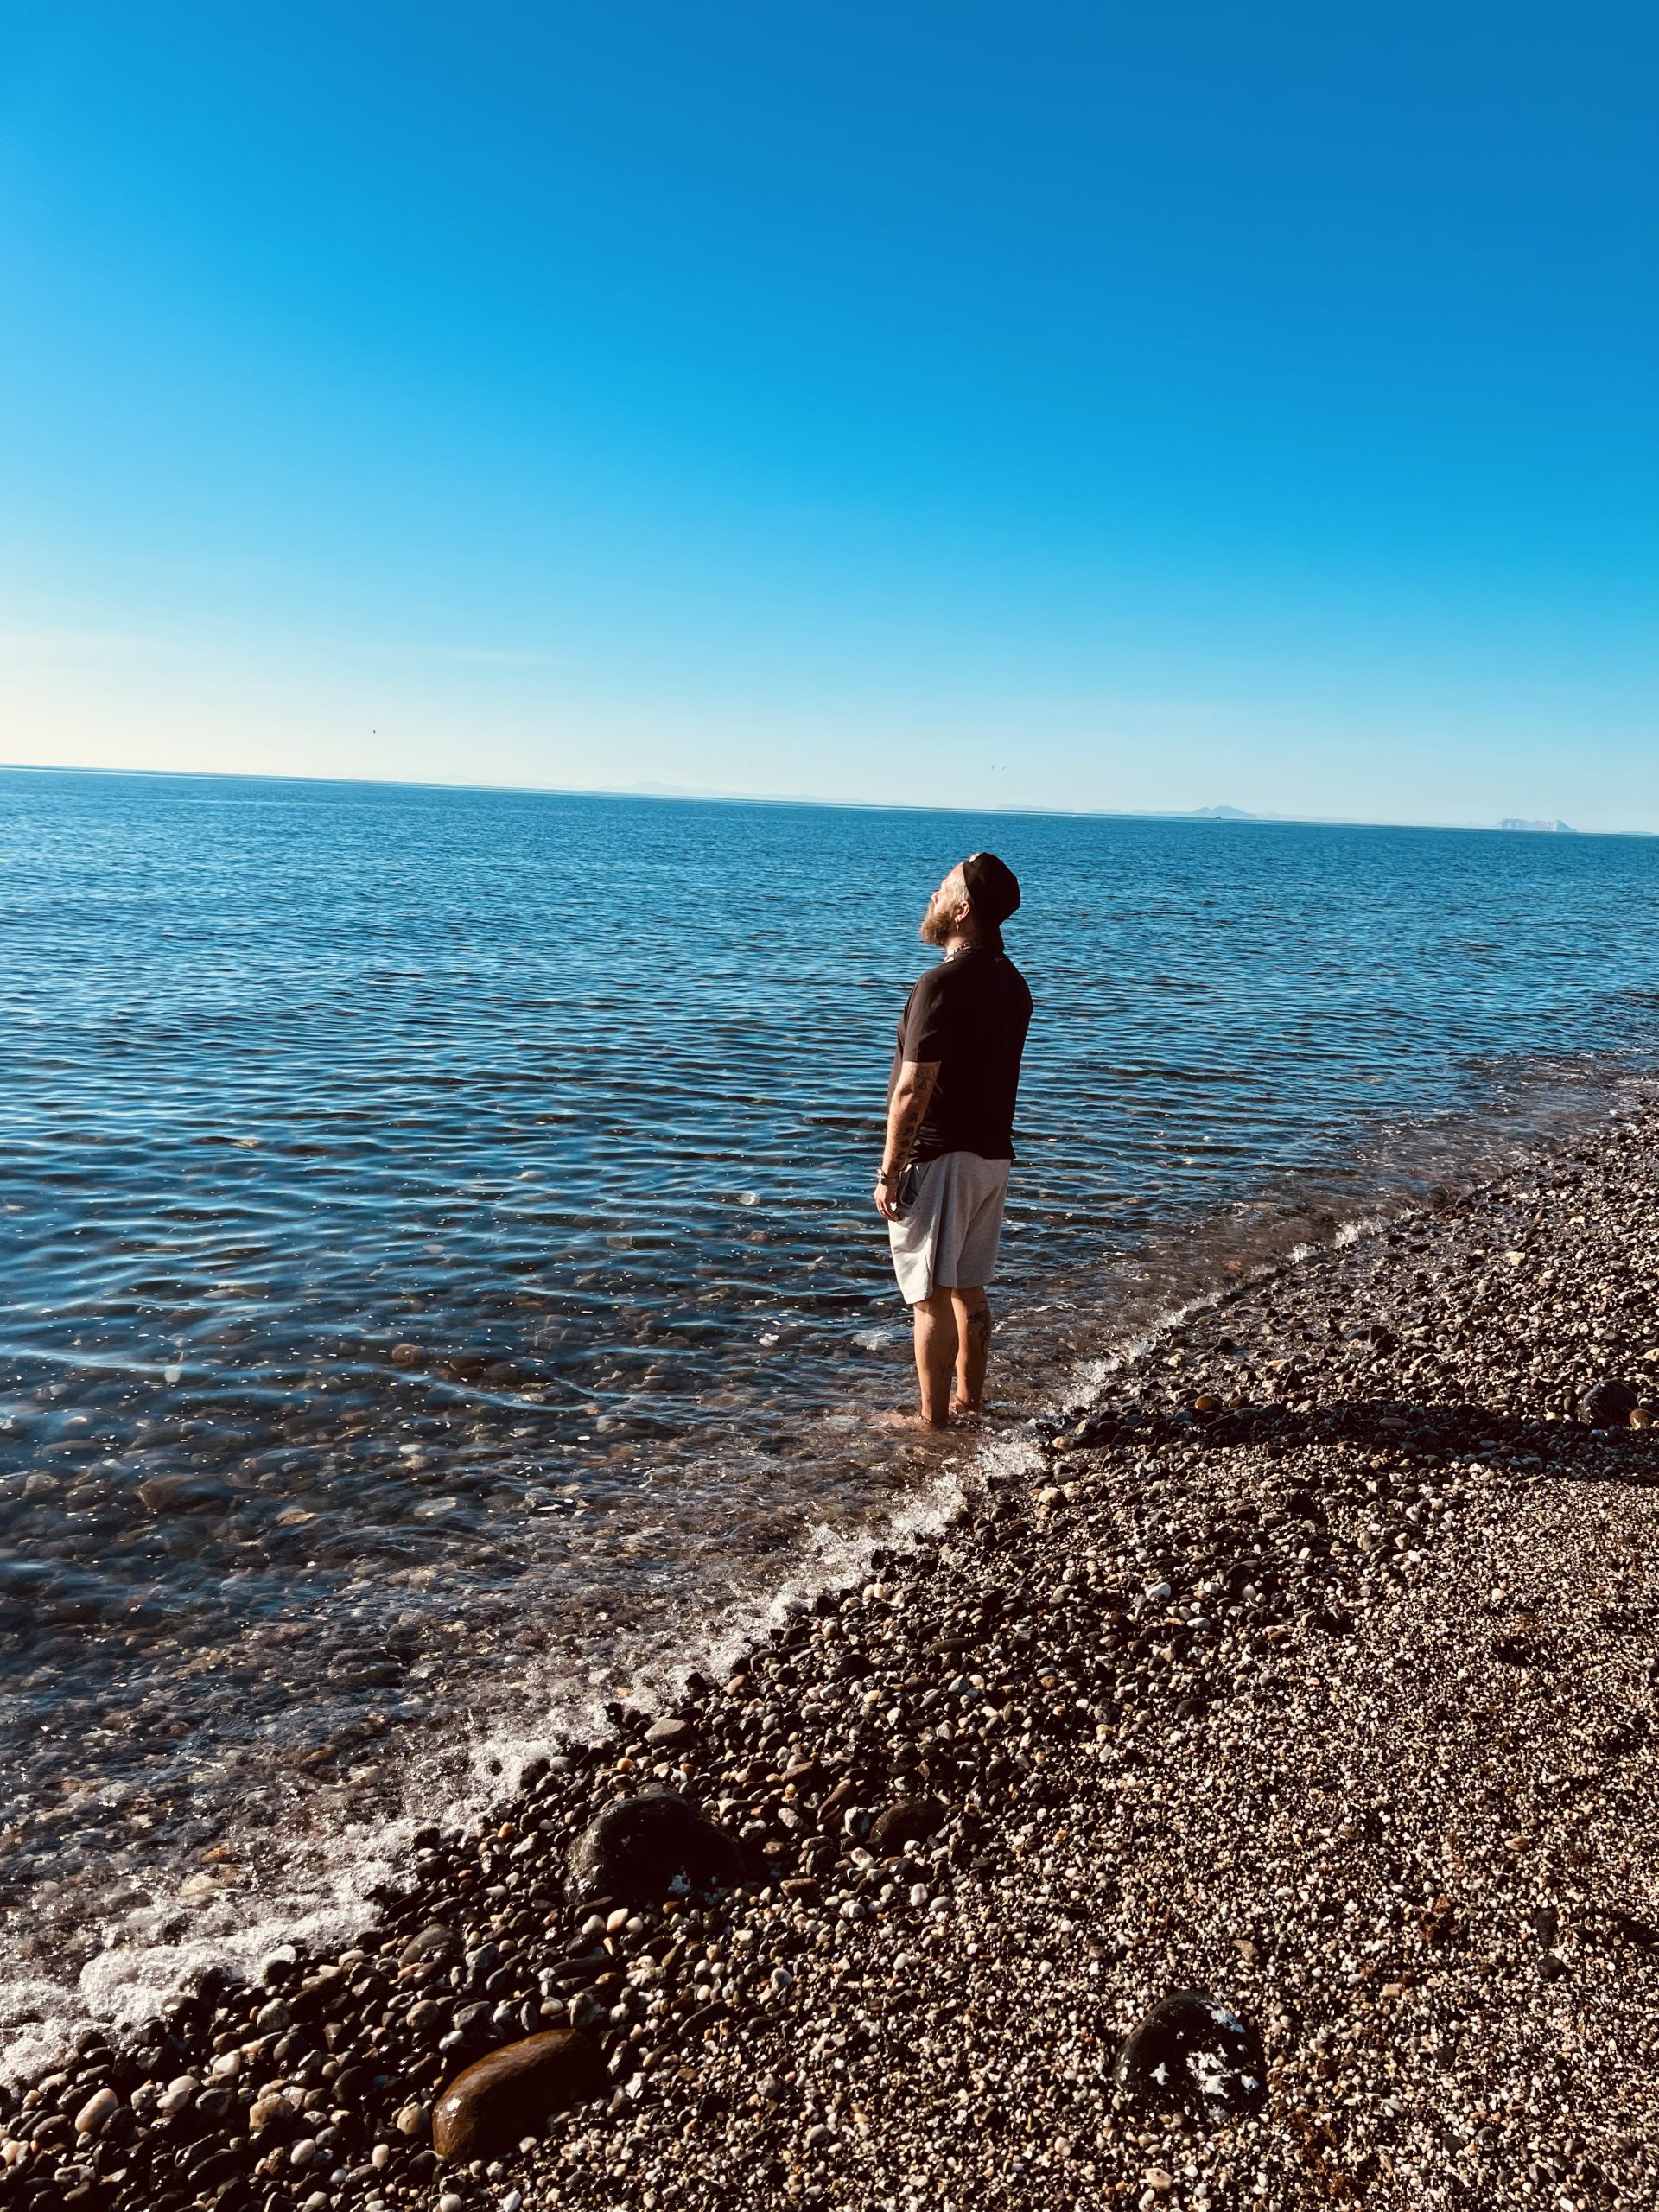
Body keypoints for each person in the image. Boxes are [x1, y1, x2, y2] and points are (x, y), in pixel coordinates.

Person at [874, 852, 1033, 1428]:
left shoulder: (939, 983)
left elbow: (913, 1089)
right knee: (969, 1287)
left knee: (930, 1297)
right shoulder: (1013, 983)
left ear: (963, 910)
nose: (932, 898)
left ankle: (932, 1423)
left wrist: (891, 1171)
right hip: (992, 1158)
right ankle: (970, 1403)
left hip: (942, 1158)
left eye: (942, 890)